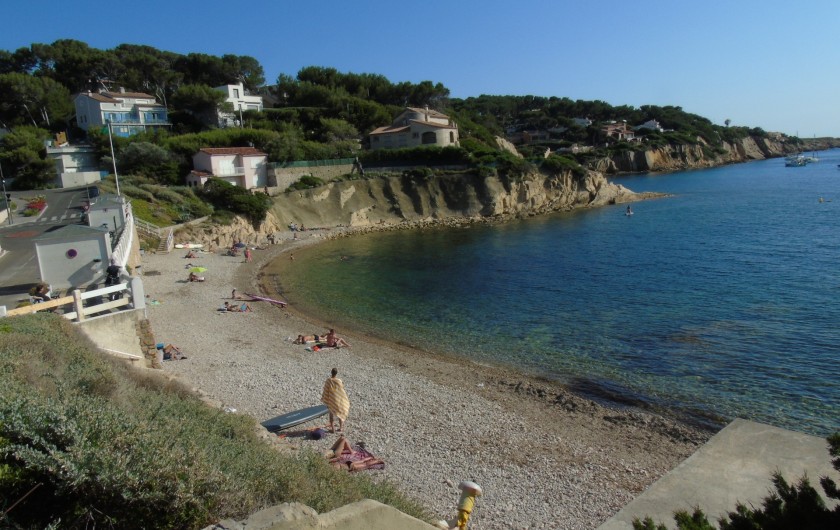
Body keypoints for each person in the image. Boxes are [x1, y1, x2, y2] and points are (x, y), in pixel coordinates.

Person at [321, 367, 350, 433]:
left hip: (331, 400)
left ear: (331, 372)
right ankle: (340, 428)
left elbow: (326, 390)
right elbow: (341, 390)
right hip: (338, 400)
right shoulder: (339, 381)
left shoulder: (328, 380)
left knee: (331, 415)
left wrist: (325, 398)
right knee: (340, 414)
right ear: (336, 373)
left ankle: (333, 429)